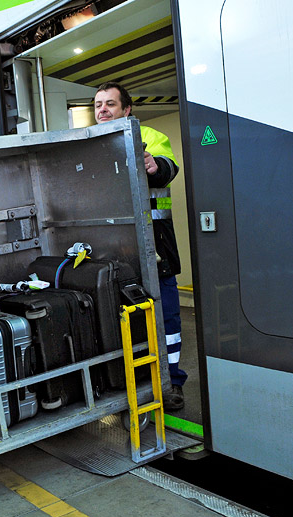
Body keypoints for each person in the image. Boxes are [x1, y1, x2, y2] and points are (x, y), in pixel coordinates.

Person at [94, 82, 187, 411]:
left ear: (127, 110)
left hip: (155, 251)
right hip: (115, 258)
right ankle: (131, 384)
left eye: (110, 104)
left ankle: (172, 382)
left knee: (168, 322)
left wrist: (154, 166)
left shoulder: (148, 135)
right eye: (98, 105)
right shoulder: (92, 147)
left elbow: (166, 167)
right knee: (125, 324)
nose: (103, 110)